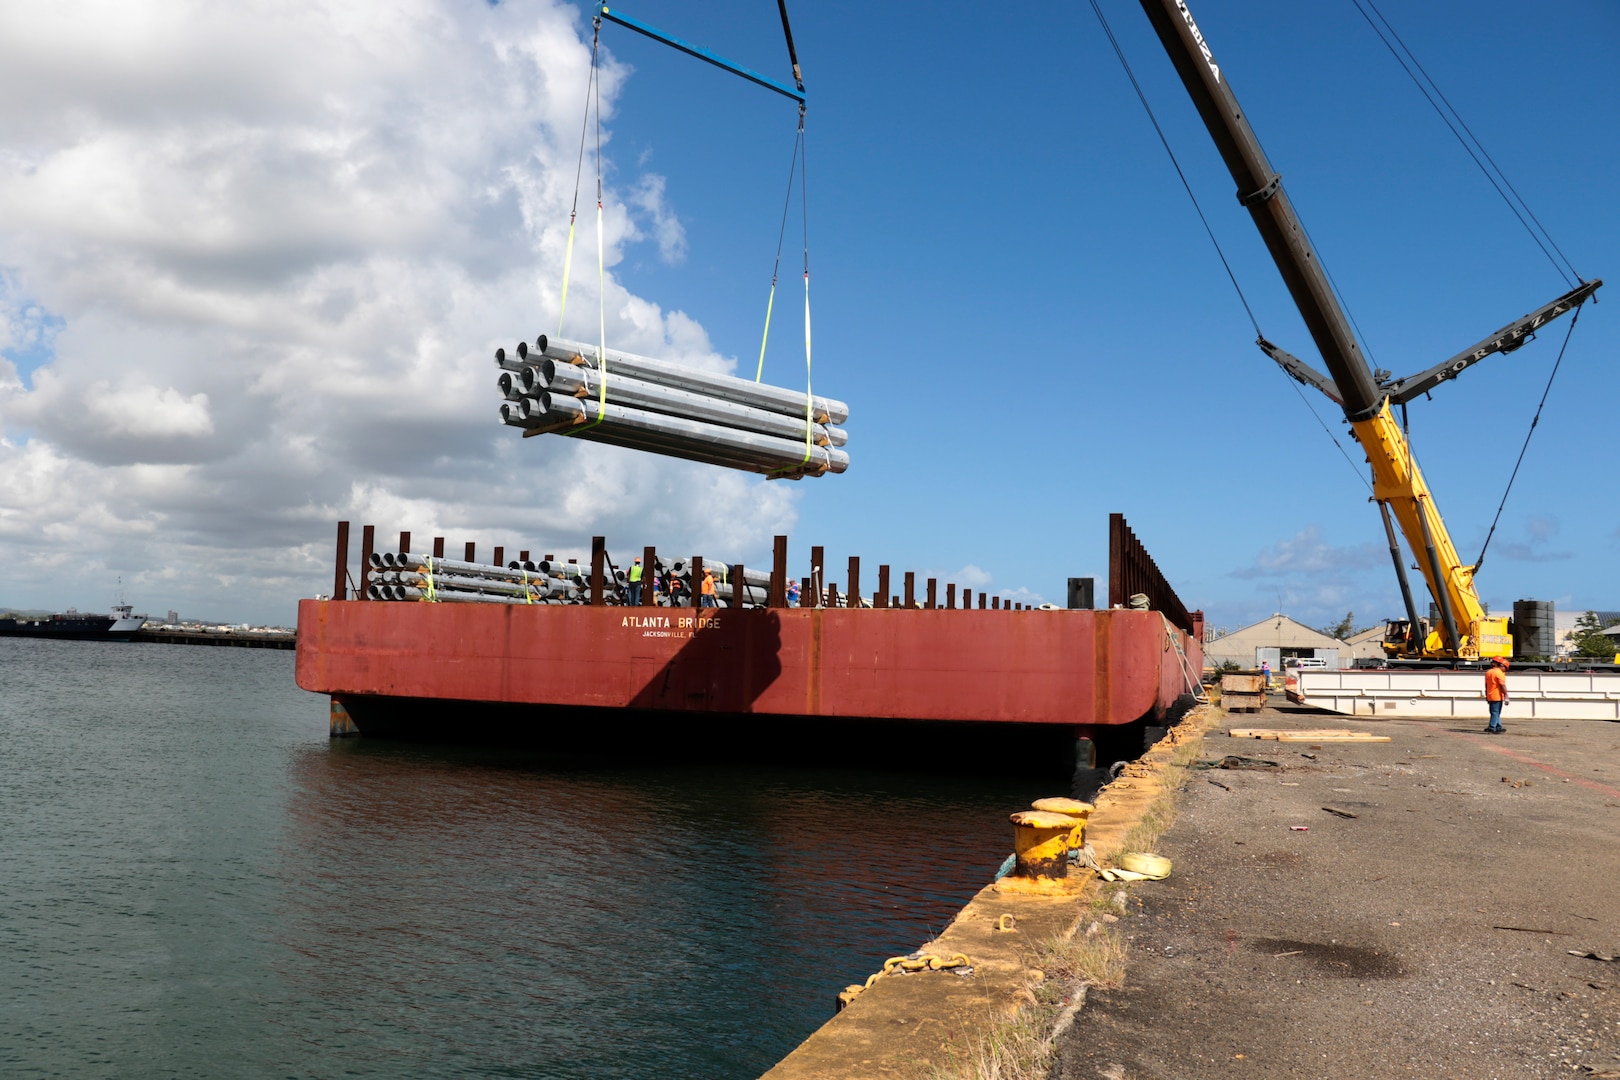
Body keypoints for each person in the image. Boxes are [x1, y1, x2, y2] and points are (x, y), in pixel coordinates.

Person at [1484, 657, 1509, 733]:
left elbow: (1486, 685)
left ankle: (1498, 727)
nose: (1505, 670)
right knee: (1495, 712)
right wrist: (1506, 695)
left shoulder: (1488, 672)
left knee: (1494, 712)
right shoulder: (1499, 673)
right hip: (1497, 696)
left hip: (1490, 695)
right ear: (1502, 666)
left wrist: (1487, 695)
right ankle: (1492, 727)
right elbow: (1502, 685)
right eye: (1506, 668)